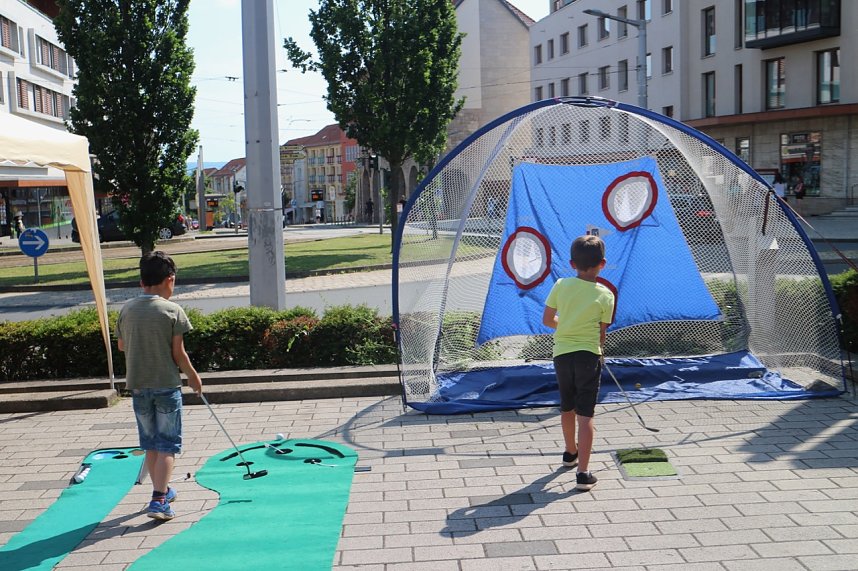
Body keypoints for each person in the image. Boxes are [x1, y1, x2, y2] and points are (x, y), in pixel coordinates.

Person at [117, 251, 202, 521]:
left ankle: (161, 488)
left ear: (141, 283)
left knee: (151, 445)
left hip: (138, 387)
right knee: (167, 445)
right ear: (170, 280)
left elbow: (121, 345)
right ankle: (159, 500)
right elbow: (179, 354)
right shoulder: (172, 310)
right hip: (166, 385)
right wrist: (193, 376)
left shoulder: (127, 309)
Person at [542, 235, 615, 491]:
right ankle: (583, 473)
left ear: (572, 263)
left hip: (562, 355)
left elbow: (548, 320)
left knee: (567, 407)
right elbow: (601, 333)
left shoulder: (561, 285)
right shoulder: (606, 294)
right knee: (586, 415)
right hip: (588, 356)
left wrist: (566, 325)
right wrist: (598, 350)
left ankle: (569, 453)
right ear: (602, 264)